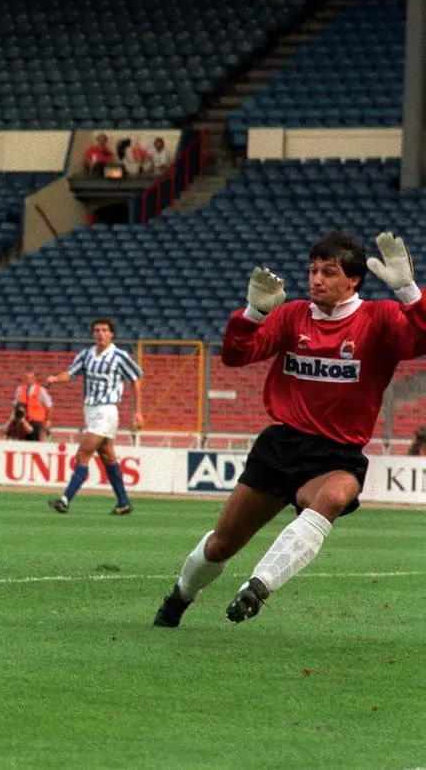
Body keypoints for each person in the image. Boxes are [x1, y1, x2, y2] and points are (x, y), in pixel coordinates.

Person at [153, 231, 426, 627]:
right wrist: (253, 314)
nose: (316, 279)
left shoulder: (378, 318)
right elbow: (235, 355)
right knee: (222, 544)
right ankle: (180, 596)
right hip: (282, 447)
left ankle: (258, 587)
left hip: (338, 454)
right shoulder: (292, 315)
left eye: (328, 272)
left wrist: (408, 291)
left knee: (333, 496)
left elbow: (421, 337)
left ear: (353, 280)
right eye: (313, 270)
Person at [45, 317, 144, 515]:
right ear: (93, 334)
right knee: (107, 456)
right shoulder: (86, 355)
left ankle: (65, 500)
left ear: (112, 334)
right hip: (90, 410)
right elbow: (70, 373)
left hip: (106, 410)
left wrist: (138, 412)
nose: (100, 334)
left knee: (83, 454)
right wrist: (56, 378)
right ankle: (123, 502)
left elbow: (136, 379)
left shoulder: (119, 356)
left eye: (105, 330)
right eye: (97, 330)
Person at [13, 371, 53, 441]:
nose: (26, 380)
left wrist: (48, 420)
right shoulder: (20, 389)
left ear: (34, 379)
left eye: (28, 378)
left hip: (37, 421)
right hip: (24, 421)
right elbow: (15, 404)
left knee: (34, 442)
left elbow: (49, 405)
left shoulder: (41, 390)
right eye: (25, 378)